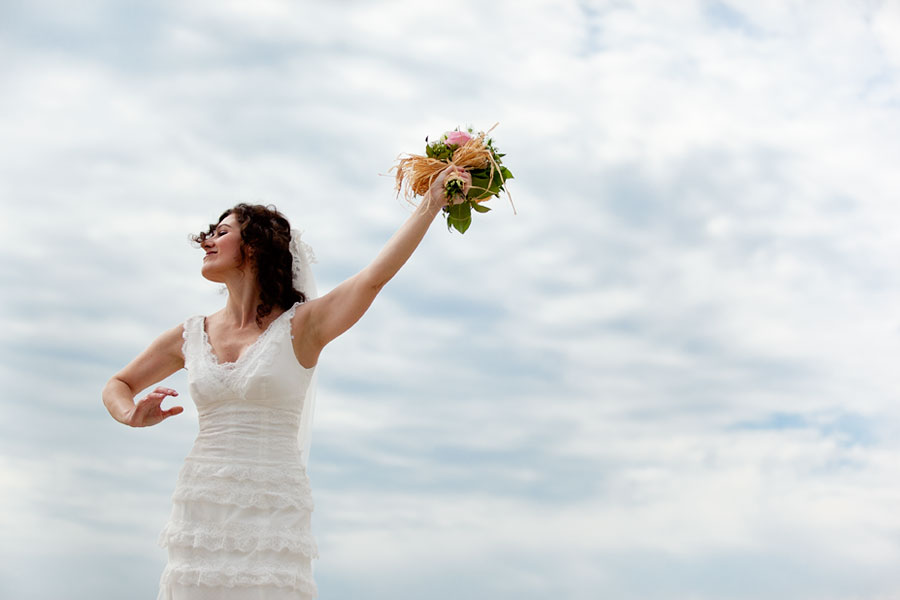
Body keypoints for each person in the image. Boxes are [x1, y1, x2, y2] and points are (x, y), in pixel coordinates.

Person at [102, 165, 471, 600]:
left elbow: (373, 279)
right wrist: (130, 415)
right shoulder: (189, 335)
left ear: (255, 246)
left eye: (222, 232)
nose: (207, 241)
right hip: (202, 503)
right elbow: (118, 383)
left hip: (271, 505)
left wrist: (432, 203)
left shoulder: (304, 326)